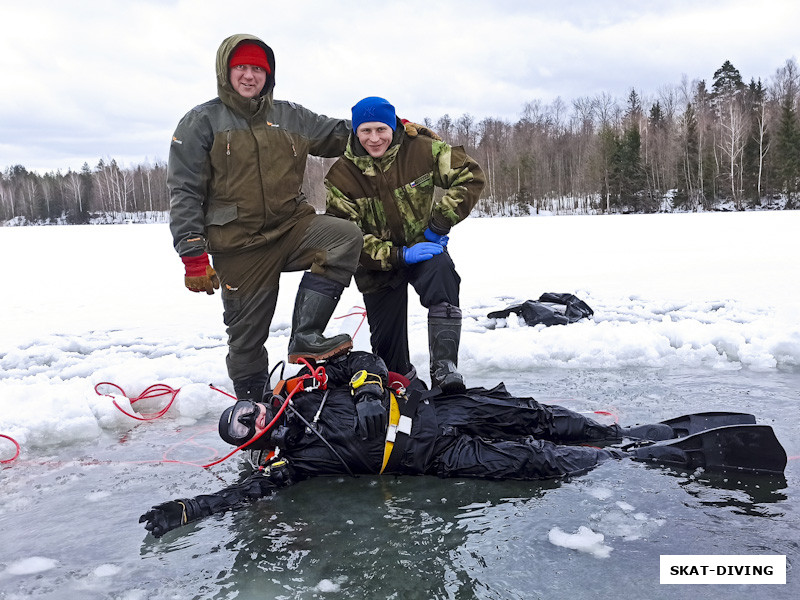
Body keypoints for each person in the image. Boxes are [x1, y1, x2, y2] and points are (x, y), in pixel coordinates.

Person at [140, 352, 694, 538]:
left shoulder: (306, 387)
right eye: (246, 421)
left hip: (432, 410)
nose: (256, 412)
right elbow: (244, 497)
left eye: (249, 405)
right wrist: (190, 509)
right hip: (432, 458)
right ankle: (642, 459)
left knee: (531, 415)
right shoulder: (291, 465)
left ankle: (620, 436)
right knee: (533, 461)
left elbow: (363, 359)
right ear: (252, 437)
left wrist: (368, 391)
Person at [168, 36, 435, 403]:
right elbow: (184, 191)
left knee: (343, 236)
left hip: (292, 228)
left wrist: (391, 124)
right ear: (225, 71)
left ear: (269, 74)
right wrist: (193, 255)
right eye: (241, 68)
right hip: (239, 245)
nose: (249, 76)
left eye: (257, 69)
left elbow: (344, 133)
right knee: (246, 339)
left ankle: (306, 335)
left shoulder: (291, 116)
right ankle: (255, 412)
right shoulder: (201, 122)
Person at [324, 97, 485, 393]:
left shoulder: (421, 149)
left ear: (394, 125)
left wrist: (438, 224)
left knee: (442, 273)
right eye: (366, 131)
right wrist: (398, 255)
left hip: (424, 247)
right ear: (355, 132)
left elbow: (469, 175)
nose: (374, 138)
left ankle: (444, 369)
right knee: (391, 362)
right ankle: (406, 390)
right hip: (377, 266)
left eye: (381, 129)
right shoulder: (341, 177)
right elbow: (348, 238)